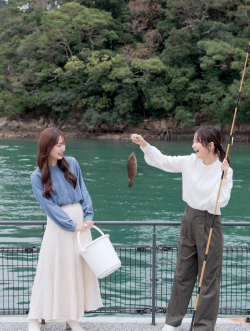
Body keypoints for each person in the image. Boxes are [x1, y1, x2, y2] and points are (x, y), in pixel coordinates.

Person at [131, 126, 233, 331]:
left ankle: (203, 327)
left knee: (208, 278)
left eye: (197, 141)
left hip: (210, 221)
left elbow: (219, 201)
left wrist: (223, 177)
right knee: (182, 272)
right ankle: (171, 322)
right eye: (194, 141)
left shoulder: (225, 170)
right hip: (189, 218)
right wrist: (144, 145)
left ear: (210, 145)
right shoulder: (189, 161)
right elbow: (164, 161)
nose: (193, 145)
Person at [28, 128, 103, 331]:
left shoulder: (72, 163)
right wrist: (72, 225)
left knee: (75, 269)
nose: (62, 148)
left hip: (80, 224)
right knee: (53, 269)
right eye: (58, 145)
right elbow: (49, 207)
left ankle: (71, 318)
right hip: (61, 226)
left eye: (63, 144)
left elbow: (83, 191)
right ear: (47, 146)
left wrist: (88, 216)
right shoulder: (37, 176)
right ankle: (34, 317)